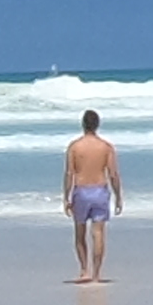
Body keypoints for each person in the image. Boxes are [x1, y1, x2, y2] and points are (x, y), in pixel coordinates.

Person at [62, 108, 122, 284]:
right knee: (98, 233)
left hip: (81, 190)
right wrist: (118, 196)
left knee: (80, 233)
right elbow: (113, 174)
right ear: (98, 125)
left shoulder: (74, 147)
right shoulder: (106, 147)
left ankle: (83, 270)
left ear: (83, 125)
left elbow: (69, 174)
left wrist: (66, 197)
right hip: (100, 190)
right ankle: (96, 273)